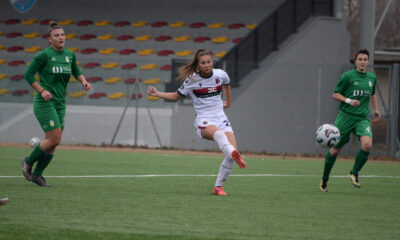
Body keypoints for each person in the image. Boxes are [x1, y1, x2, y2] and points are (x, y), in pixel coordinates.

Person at [147, 49, 246, 196]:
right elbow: (176, 95)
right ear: (198, 65)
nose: (206, 65)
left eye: (209, 62)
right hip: (204, 120)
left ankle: (218, 187)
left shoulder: (220, 74)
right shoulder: (192, 80)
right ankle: (232, 152)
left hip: (221, 117)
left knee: (231, 156)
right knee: (220, 136)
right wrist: (157, 94)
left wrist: (228, 103)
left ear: (212, 62)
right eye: (203, 63)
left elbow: (227, 84)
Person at [22, 21, 91, 186]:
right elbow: (29, 75)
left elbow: (75, 70)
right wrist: (41, 90)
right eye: (57, 35)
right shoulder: (43, 56)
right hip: (45, 102)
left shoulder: (69, 54)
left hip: (60, 103)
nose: (61, 37)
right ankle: (28, 161)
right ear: (49, 39)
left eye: (62, 35)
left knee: (54, 142)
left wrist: (83, 80)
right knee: (55, 138)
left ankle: (37, 175)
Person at [320, 49, 381, 192]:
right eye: (360, 59)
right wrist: (348, 100)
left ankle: (354, 172)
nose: (363, 62)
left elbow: (372, 94)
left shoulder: (372, 77)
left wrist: (376, 109)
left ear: (368, 61)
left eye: (365, 59)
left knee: (367, 145)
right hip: (346, 116)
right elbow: (335, 94)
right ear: (355, 61)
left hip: (362, 118)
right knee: (335, 150)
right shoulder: (347, 76)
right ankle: (324, 179)